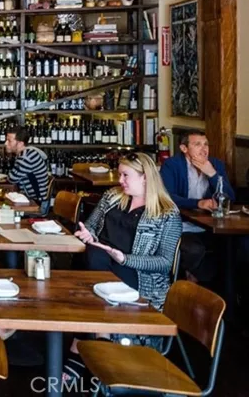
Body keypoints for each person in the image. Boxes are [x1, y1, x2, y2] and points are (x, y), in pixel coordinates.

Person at [64, 152, 181, 381]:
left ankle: (84, 349)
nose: (120, 181)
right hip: (101, 265)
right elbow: (91, 227)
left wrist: (125, 259)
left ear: (145, 177)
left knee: (92, 274)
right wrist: (88, 234)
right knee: (94, 258)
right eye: (119, 175)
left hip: (138, 276)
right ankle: (101, 343)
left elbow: (165, 263)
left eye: (126, 175)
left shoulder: (167, 214)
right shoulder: (112, 197)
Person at [160, 130, 236, 282]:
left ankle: (214, 287)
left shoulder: (215, 165)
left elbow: (230, 198)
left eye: (206, 144)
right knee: (194, 250)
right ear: (184, 148)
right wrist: (198, 203)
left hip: (209, 225)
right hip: (180, 225)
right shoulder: (171, 165)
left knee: (233, 247)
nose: (204, 149)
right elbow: (166, 197)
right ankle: (192, 282)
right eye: (197, 144)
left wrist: (212, 174)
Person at [4, 126, 52, 214]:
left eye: (9, 141)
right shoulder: (27, 153)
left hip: (37, 204)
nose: (6, 143)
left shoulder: (26, 156)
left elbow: (12, 178)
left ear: (20, 143)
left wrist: (9, 175)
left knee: (3, 211)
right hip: (31, 200)